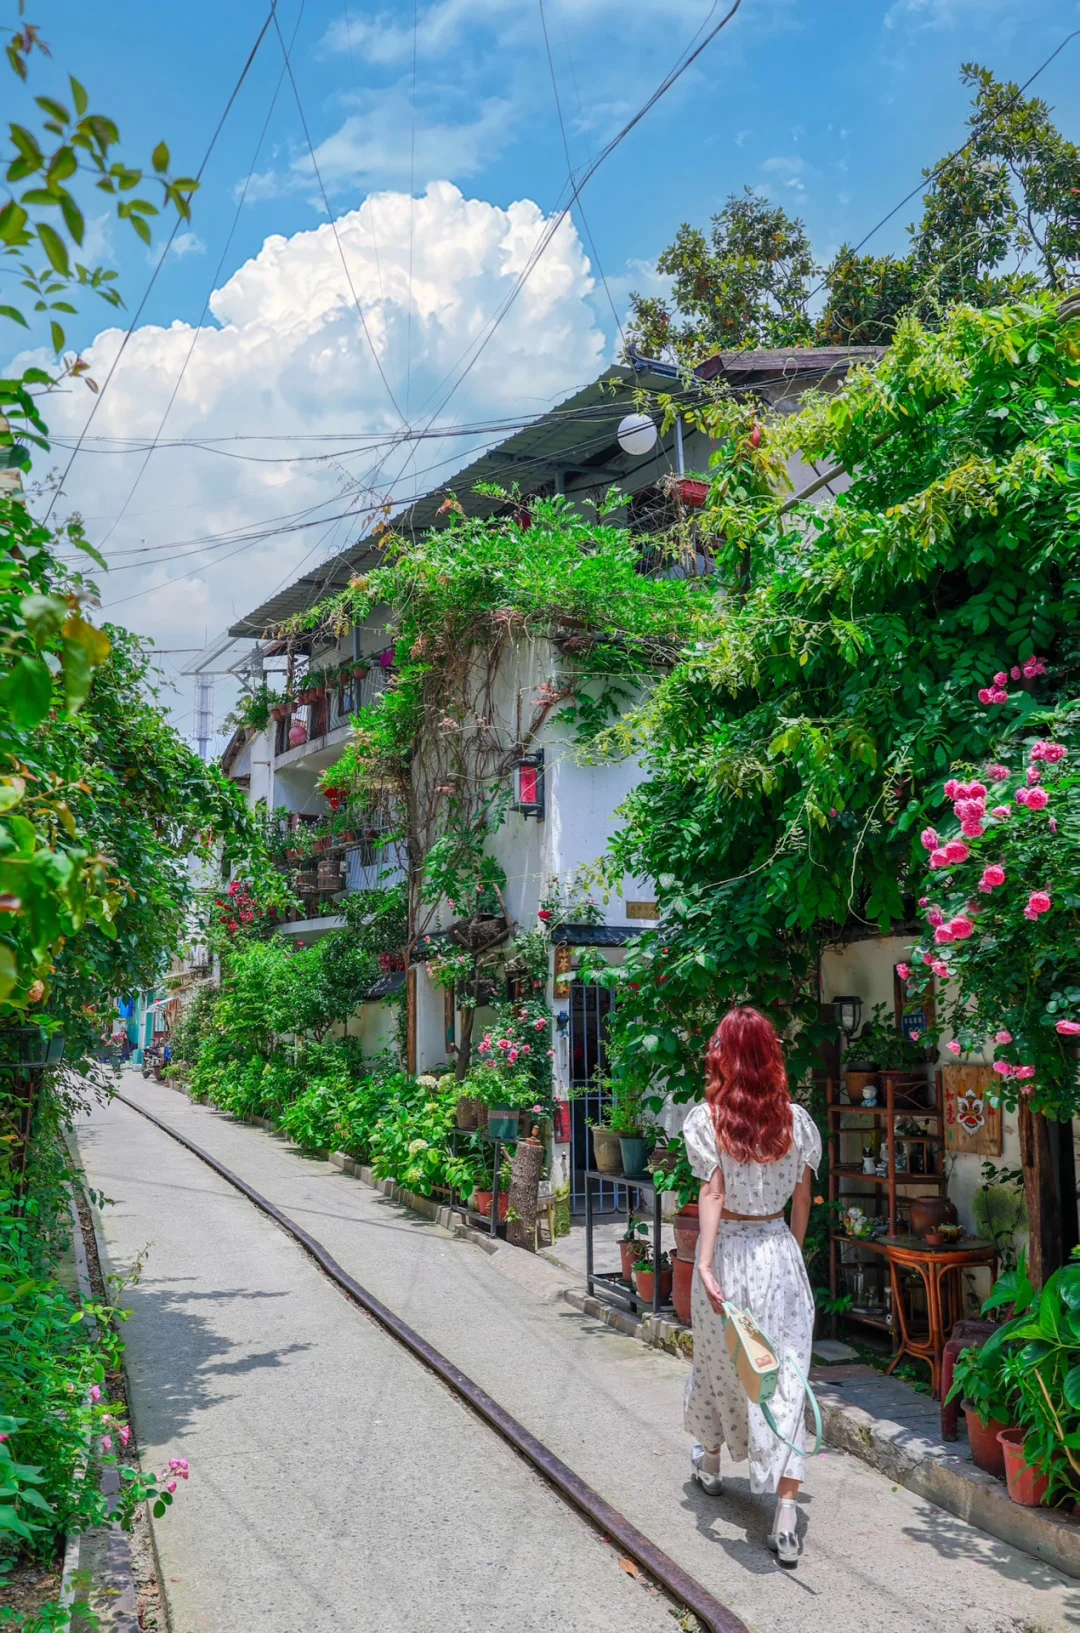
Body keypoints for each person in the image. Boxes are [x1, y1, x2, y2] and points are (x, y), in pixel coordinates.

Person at [681, 1005, 820, 1568]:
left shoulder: (706, 1120)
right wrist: (795, 1251)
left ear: (725, 1057)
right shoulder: (797, 1121)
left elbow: (712, 1194)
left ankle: (711, 1461)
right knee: (784, 1377)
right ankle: (786, 1514)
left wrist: (706, 1264)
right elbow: (805, 1199)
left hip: (731, 1252)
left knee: (721, 1365)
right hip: (779, 1253)